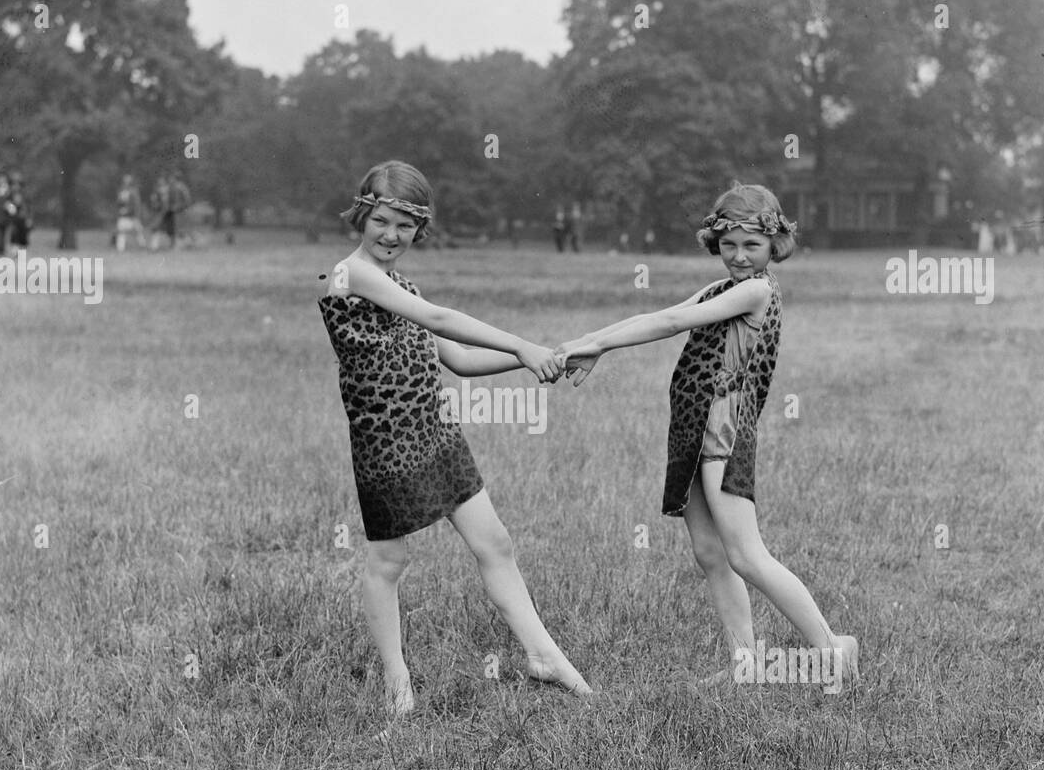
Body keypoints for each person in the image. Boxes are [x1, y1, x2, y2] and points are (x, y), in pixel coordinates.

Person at [556, 182, 859, 691]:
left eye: (752, 246)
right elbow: (661, 316)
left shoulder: (756, 289)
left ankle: (832, 650)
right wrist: (590, 344)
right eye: (728, 246)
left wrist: (598, 344)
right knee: (710, 553)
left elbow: (674, 321)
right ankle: (746, 661)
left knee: (745, 553)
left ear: (774, 246)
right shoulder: (723, 289)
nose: (740, 257)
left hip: (724, 429)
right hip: (692, 429)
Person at [318, 159, 592, 718]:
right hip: (385, 438)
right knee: (389, 561)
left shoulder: (399, 282)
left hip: (435, 429)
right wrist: (521, 345)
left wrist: (543, 356)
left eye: (405, 226)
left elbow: (461, 359)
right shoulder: (352, 274)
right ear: (363, 214)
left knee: (496, 543)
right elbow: (439, 319)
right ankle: (398, 687)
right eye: (382, 221)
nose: (392, 235)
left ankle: (543, 656)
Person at [114, 174, 144, 252]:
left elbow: (136, 204)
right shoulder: (121, 191)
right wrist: (120, 211)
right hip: (123, 216)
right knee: (121, 232)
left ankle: (142, 247)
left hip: (132, 215)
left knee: (138, 231)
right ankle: (120, 248)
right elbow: (118, 203)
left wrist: (135, 214)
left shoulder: (134, 191)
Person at [5, 172, 31, 254]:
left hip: (23, 219)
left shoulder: (24, 195)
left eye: (18, 184)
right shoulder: (9, 195)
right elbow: (6, 204)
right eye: (13, 184)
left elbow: (28, 208)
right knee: (14, 234)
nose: (15, 186)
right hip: (13, 219)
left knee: (23, 235)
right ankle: (14, 250)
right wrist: (9, 206)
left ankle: (22, 251)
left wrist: (29, 218)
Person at [149, 176, 173, 251]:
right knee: (157, 229)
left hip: (165, 213)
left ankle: (168, 246)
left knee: (167, 230)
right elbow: (155, 203)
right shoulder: (158, 192)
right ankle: (155, 246)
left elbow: (162, 203)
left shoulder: (165, 191)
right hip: (161, 213)